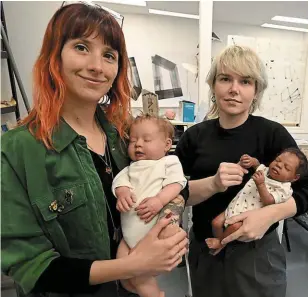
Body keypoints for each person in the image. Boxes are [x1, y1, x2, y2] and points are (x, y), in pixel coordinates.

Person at [1, 4, 188, 297]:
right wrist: (132, 266)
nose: (97, 66)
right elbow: (30, 267)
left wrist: (173, 212)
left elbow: (169, 178)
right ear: (54, 56)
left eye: (109, 55)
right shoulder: (17, 150)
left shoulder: (123, 135)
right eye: (81, 47)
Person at [174, 45, 308, 297]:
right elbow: (174, 192)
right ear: (213, 85)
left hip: (256, 254)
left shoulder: (272, 135)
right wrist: (212, 184)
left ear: (256, 90)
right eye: (225, 79)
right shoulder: (195, 137)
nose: (234, 89)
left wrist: (270, 215)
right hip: (206, 248)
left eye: (245, 81)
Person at [113, 115, 187, 297]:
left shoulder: (168, 162)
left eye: (146, 140)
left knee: (141, 276)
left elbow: (177, 183)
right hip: (129, 236)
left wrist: (159, 200)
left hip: (151, 232)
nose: (138, 144)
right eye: (133, 140)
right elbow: (120, 182)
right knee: (121, 269)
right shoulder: (130, 168)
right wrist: (122, 193)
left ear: (167, 144)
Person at [206, 148, 308, 255]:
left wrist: (261, 185)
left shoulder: (284, 189)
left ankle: (221, 242)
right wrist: (251, 160)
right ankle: (219, 240)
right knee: (216, 222)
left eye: (286, 168)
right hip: (235, 206)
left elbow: (269, 202)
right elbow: (257, 165)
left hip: (246, 218)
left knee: (234, 228)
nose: (279, 165)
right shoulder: (265, 171)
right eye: (278, 160)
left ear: (295, 178)